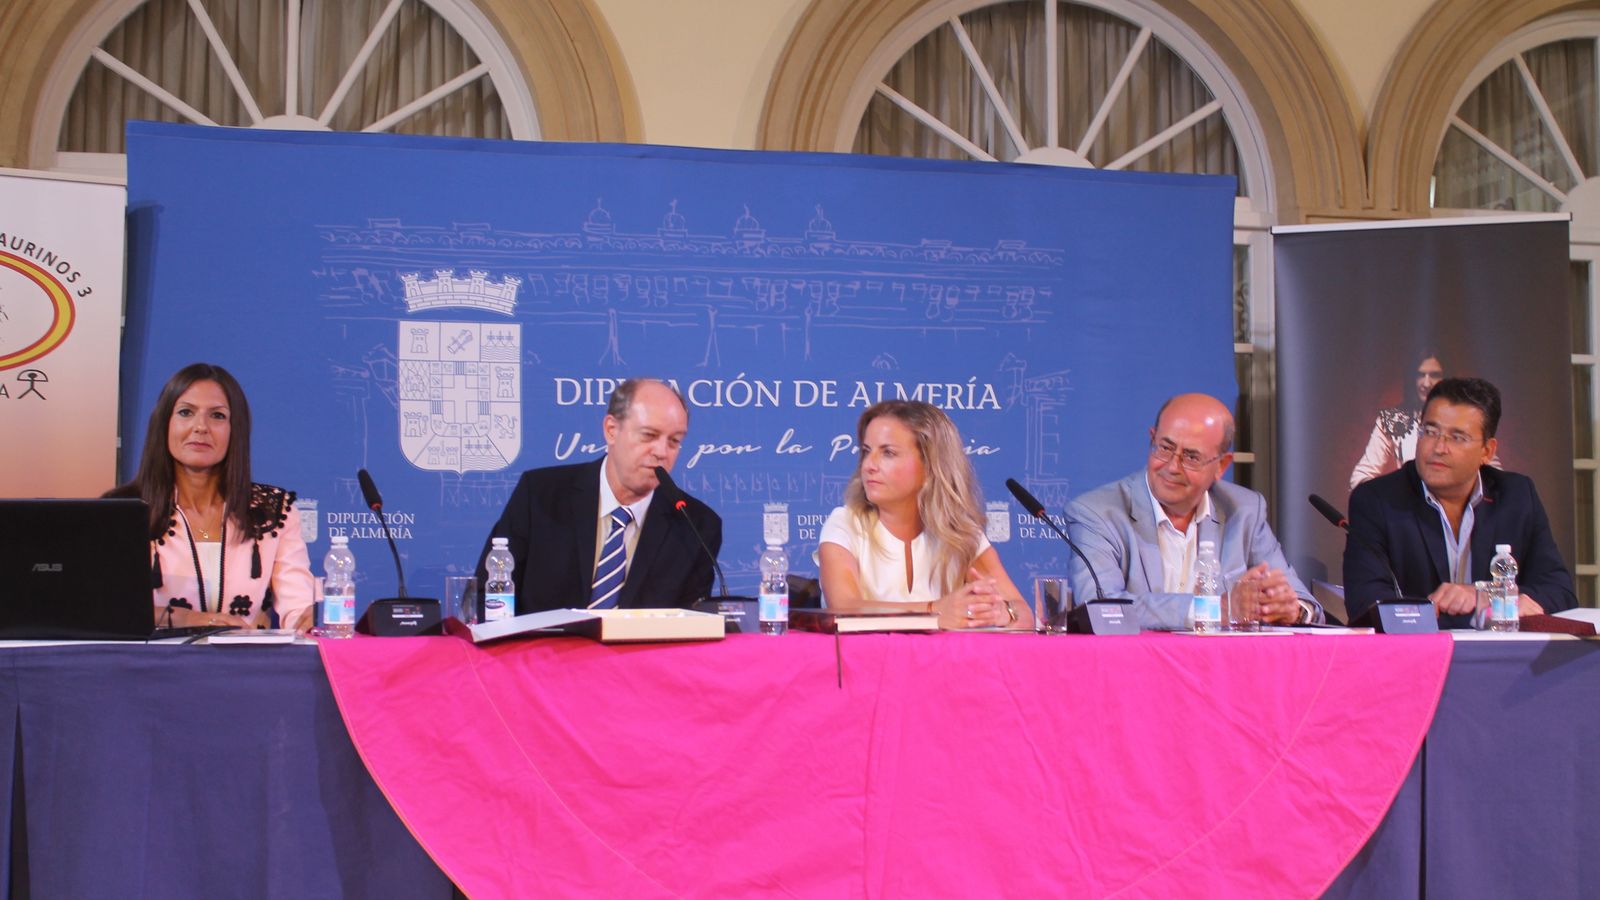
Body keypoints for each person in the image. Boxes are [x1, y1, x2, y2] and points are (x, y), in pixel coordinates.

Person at [1065, 393, 1322, 630]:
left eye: (1191, 457)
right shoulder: (1097, 512)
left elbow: (1302, 602)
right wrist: (1213, 609)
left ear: (1221, 465)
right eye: (1164, 448)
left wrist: (1291, 610)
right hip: (1136, 670)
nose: (1172, 467)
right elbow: (1100, 609)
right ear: (1152, 438)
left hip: (1225, 671)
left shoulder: (1244, 511)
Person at [1344, 377, 1575, 628]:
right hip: (1418, 658)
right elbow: (1366, 603)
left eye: (1457, 437)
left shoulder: (1516, 496)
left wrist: (1483, 596)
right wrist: (1482, 611)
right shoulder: (1377, 500)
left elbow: (1559, 591)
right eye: (1430, 432)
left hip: (1503, 659)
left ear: (1487, 451)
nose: (1439, 447)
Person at [479, 378, 720, 613]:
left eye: (674, 441)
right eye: (648, 435)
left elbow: (691, 628)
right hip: (544, 652)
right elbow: (487, 599)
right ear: (611, 430)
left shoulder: (696, 526)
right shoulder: (540, 496)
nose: (661, 452)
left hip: (642, 654)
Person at [106, 363, 314, 631]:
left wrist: (304, 621)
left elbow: (297, 605)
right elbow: (110, 609)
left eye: (217, 415)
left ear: (235, 429)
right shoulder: (124, 510)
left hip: (247, 666)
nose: (200, 427)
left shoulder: (273, 509)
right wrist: (187, 620)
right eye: (185, 412)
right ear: (164, 424)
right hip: (153, 667)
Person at [818, 400, 1030, 629]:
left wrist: (1001, 613)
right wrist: (935, 611)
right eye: (867, 451)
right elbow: (844, 608)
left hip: (943, 665)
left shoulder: (961, 533)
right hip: (864, 663)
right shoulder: (844, 523)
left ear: (931, 465)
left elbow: (1026, 614)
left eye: (888, 452)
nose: (869, 464)